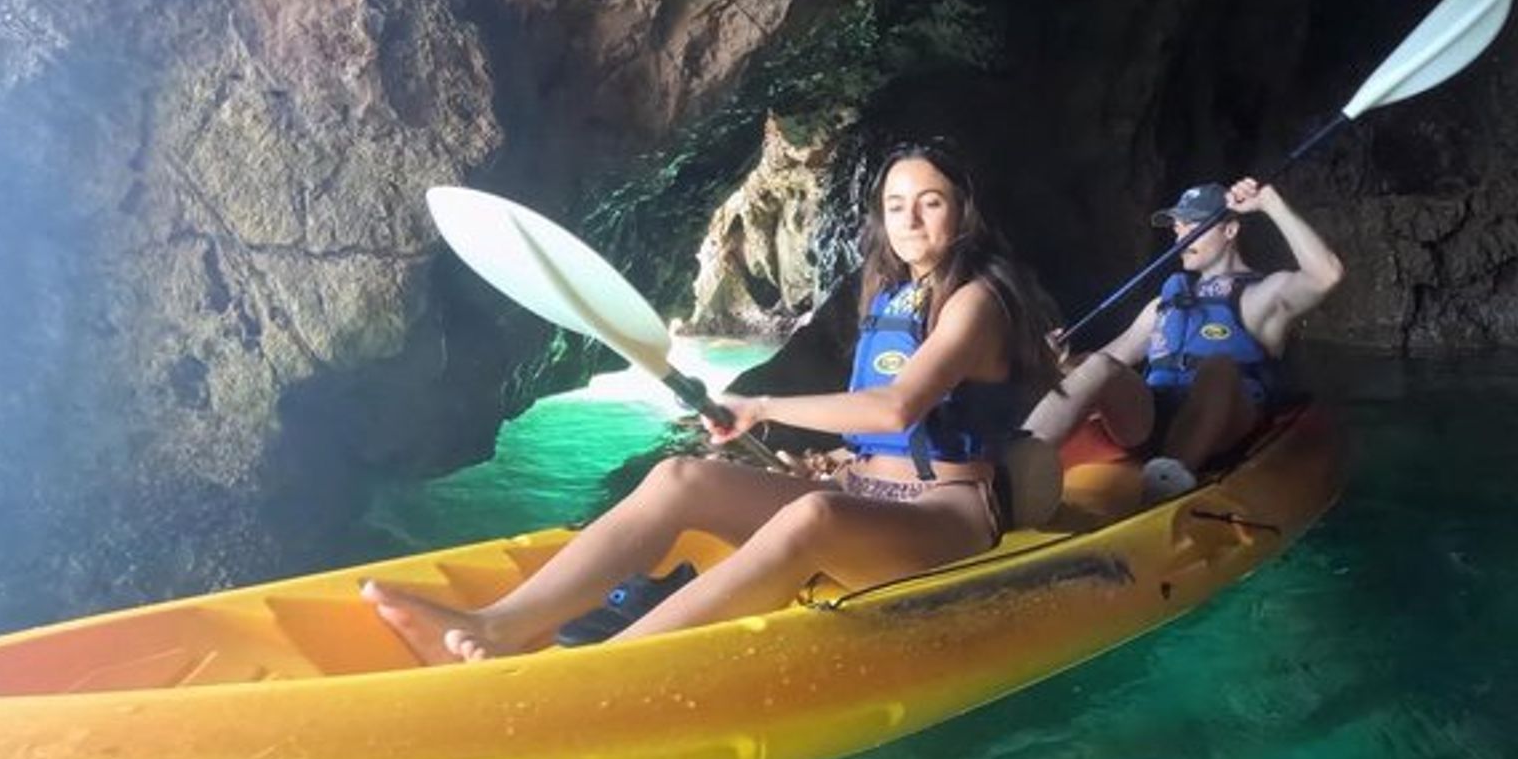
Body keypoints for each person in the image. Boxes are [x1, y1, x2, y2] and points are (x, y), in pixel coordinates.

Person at [363, 142, 1060, 662]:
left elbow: (895, 410)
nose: (910, 220)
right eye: (896, 205)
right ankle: (499, 625)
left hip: (947, 518)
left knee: (812, 517)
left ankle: (616, 663)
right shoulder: (891, 293)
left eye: (930, 202)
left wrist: (760, 406)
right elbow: (873, 433)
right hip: (866, 489)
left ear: (964, 212)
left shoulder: (978, 303)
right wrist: (831, 457)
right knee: (679, 476)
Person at [1022, 176, 1343, 501]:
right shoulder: (1164, 304)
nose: (1179, 234)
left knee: (1218, 367)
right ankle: (1013, 464)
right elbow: (1104, 365)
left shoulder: (1259, 296)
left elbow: (1326, 275)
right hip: (1152, 419)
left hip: (1223, 426)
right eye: (1176, 226)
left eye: (1192, 224)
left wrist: (1270, 203)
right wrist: (1060, 360)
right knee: (1100, 366)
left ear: (1229, 230)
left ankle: (1165, 483)